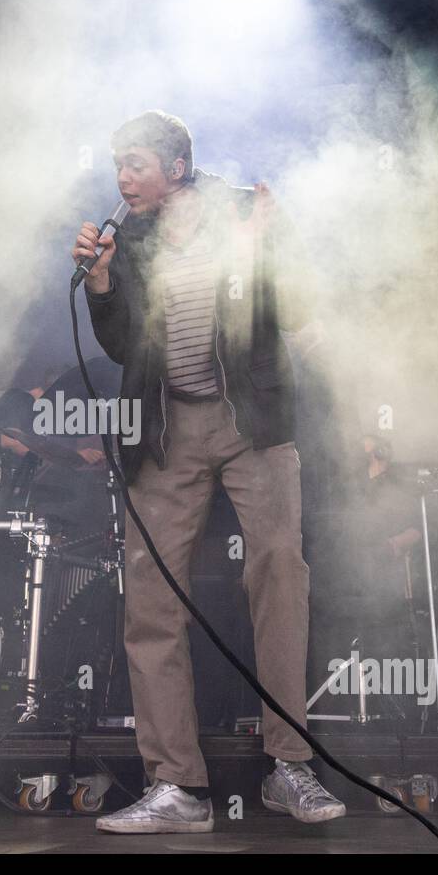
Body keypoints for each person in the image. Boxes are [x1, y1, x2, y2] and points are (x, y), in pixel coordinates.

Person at [73, 110, 344, 833]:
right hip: (167, 429)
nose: (122, 177)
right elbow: (126, 344)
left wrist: (266, 252)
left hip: (250, 419)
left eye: (134, 163)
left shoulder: (241, 210)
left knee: (280, 570)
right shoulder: (125, 237)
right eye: (116, 165)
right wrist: (101, 283)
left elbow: (300, 309)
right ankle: (175, 787)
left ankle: (291, 767)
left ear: (178, 164)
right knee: (151, 596)